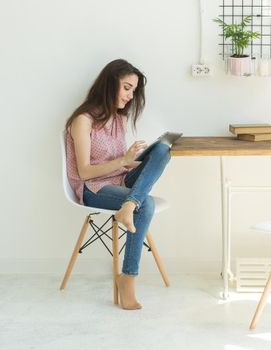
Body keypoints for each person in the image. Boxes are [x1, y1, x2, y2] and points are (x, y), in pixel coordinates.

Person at [64, 59, 171, 310]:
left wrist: (135, 162)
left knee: (162, 150)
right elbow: (84, 171)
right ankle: (128, 278)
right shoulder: (83, 120)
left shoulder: (119, 120)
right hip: (93, 187)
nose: (130, 96)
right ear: (108, 84)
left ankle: (129, 204)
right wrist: (123, 159)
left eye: (133, 90)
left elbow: (120, 166)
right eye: (126, 88)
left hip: (120, 180)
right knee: (147, 204)